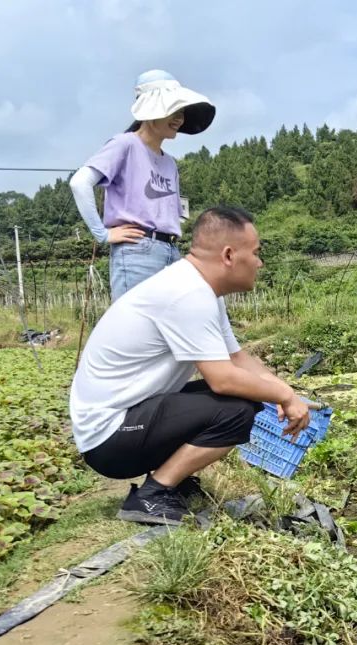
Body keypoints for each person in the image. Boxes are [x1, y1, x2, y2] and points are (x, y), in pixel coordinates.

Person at [70, 206, 312, 525]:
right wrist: (283, 394)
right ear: (228, 255)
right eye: (255, 253)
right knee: (235, 410)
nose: (259, 262)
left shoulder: (201, 290)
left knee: (245, 399)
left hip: (127, 418)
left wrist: (285, 392)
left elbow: (236, 358)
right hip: (109, 437)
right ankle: (153, 496)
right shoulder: (187, 294)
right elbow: (223, 379)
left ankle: (174, 481)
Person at [69, 70, 216, 301]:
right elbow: (79, 183)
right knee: (135, 330)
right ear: (150, 111)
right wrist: (102, 234)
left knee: (166, 329)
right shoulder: (125, 144)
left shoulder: (169, 163)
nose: (179, 118)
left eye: (182, 111)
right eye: (172, 110)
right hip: (138, 250)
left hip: (170, 250)